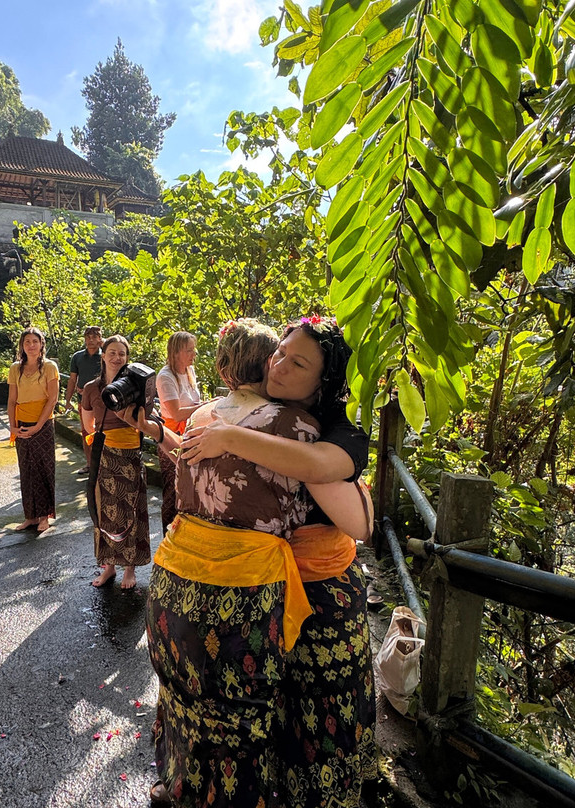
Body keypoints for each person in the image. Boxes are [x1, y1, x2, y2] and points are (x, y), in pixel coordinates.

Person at [181, 316, 377, 808]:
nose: (280, 365)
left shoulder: (330, 429)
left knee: (319, 709)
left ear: (324, 381)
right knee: (279, 712)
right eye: (281, 351)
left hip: (318, 590)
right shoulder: (268, 415)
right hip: (261, 591)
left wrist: (229, 438)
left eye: (299, 362)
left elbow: (354, 517)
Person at [130, 318, 320, 808]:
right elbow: (298, 513)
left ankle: (178, 787)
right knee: (240, 714)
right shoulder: (293, 427)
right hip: (239, 592)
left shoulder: (201, 418)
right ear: (269, 364)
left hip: (174, 580)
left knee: (179, 699)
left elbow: (180, 489)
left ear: (223, 365)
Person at [80, 334, 150, 590]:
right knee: (105, 509)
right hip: (104, 452)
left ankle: (129, 569)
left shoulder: (137, 387)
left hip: (131, 452)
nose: (117, 357)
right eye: (112, 352)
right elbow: (88, 424)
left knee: (131, 508)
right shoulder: (91, 388)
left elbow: (146, 421)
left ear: (127, 358)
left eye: (122, 353)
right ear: (103, 356)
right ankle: (108, 566)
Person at [7, 327, 59, 532]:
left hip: (43, 424)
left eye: (34, 341)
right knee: (26, 470)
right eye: (27, 341)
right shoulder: (15, 368)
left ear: (41, 344)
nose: (31, 345)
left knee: (44, 469)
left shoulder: (49, 367)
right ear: (22, 345)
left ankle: (45, 516)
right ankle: (30, 516)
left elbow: (52, 399)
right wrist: (12, 426)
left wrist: (38, 425)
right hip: (21, 424)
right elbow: (11, 400)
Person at [154, 331, 202, 534]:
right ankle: (168, 535)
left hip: (190, 435)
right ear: (176, 353)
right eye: (189, 350)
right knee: (172, 490)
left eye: (193, 349)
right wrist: (207, 406)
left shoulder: (189, 372)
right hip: (172, 436)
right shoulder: (166, 376)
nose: (194, 354)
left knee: (189, 489)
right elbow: (176, 413)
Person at [63, 325, 104, 474]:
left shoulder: (106, 355)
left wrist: (90, 388)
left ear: (100, 338)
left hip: (102, 402)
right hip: (83, 402)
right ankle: (90, 464)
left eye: (94, 337)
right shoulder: (77, 357)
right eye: (88, 337)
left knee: (104, 432)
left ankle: (103, 465)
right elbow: (72, 380)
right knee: (87, 433)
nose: (91, 340)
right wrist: (67, 400)